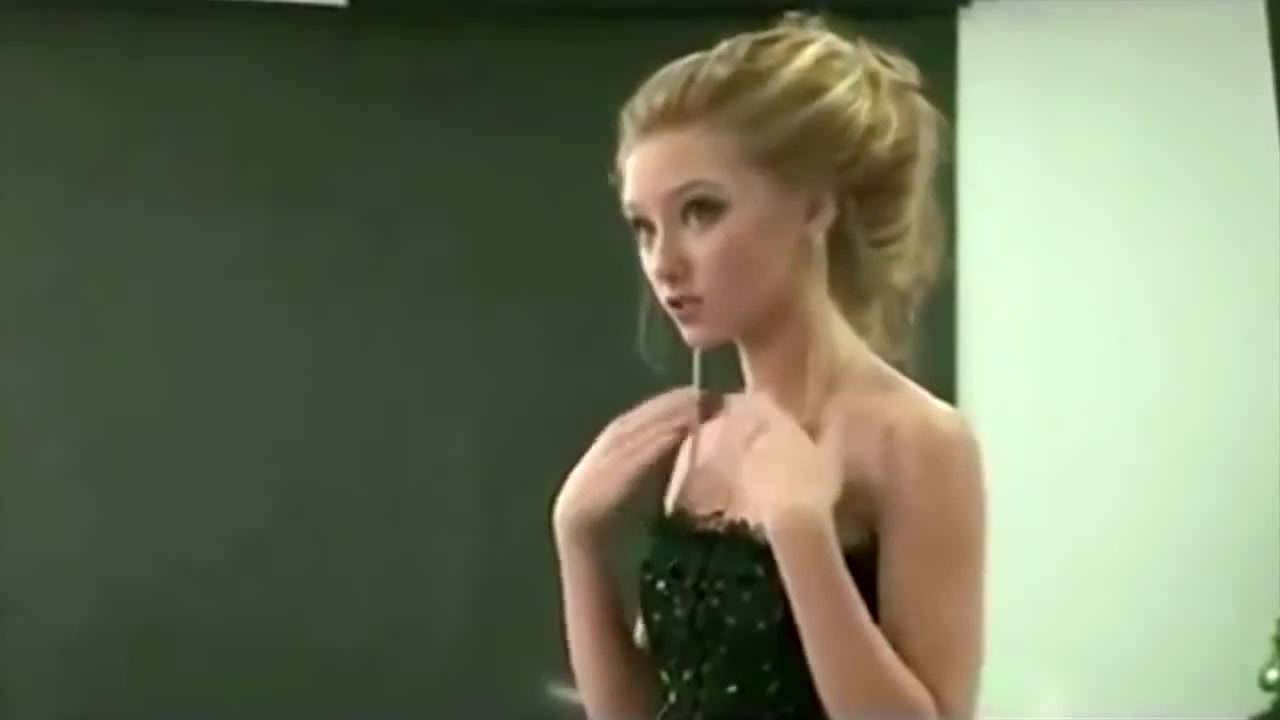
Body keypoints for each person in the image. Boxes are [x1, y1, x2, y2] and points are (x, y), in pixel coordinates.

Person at [550, 12, 985, 720]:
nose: (663, 262)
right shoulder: (704, 440)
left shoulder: (915, 440)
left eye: (700, 211)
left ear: (813, 206)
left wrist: (802, 535)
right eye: (644, 227)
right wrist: (577, 540)